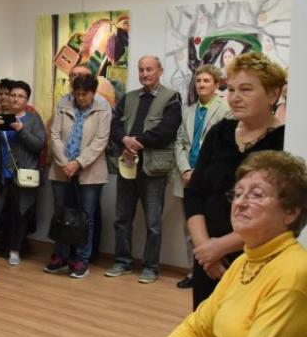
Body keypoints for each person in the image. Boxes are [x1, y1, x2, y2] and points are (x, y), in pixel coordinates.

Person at [58, 150, 307, 337]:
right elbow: (197, 326)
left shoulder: (294, 275)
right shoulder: (248, 260)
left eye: (256, 195)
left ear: (291, 212)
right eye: (238, 193)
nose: (240, 202)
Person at [185, 52, 286, 309]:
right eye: (231, 89)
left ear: (273, 94)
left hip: (255, 259)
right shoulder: (220, 133)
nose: (235, 97)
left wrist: (220, 247)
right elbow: (195, 193)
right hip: (208, 261)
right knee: (204, 324)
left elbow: (282, 212)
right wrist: (205, 248)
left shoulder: (284, 141)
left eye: (246, 89)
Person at [107, 55, 182, 284]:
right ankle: (122, 262)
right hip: (127, 165)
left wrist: (136, 141)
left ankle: (150, 267)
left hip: (153, 169)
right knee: (122, 219)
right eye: (141, 70)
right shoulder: (128, 98)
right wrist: (124, 140)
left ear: (160, 70)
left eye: (149, 69)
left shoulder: (172, 98)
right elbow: (115, 125)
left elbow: (166, 131)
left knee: (153, 223)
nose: (145, 74)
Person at [44, 73, 110, 278]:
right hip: (62, 168)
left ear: (93, 92)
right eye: (77, 93)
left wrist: (78, 162)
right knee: (61, 214)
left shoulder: (103, 107)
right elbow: (54, 134)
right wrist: (65, 162)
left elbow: (101, 140)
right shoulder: (63, 103)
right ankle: (61, 256)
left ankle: (81, 259)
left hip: (90, 170)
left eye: (85, 94)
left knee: (85, 217)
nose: (80, 98)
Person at [172, 64, 232, 289]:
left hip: (210, 179)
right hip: (186, 178)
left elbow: (224, 146)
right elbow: (179, 143)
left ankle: (215, 272)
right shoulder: (188, 111)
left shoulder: (226, 109)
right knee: (190, 229)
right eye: (198, 81)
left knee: (212, 225)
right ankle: (193, 271)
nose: (201, 84)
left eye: (206, 81)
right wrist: (185, 170)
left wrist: (200, 173)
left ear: (216, 84)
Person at [0, 80, 46, 266]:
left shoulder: (33, 119)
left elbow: (39, 145)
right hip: (1, 174)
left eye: (20, 96)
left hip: (23, 176)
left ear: (27, 100)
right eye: (13, 95)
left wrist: (22, 130)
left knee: (20, 213)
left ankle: (14, 251)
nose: (15, 99)